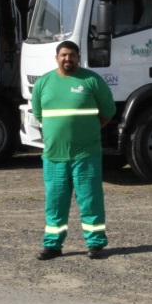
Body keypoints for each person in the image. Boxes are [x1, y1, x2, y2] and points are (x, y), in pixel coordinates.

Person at [31, 40, 116, 261]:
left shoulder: (91, 80)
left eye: (72, 55)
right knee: (55, 202)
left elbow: (108, 111)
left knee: (90, 200)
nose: (67, 59)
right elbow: (39, 114)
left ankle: (96, 243)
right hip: (54, 156)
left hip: (86, 155)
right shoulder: (43, 83)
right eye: (64, 55)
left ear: (79, 57)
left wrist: (87, 130)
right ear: (56, 58)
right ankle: (53, 245)